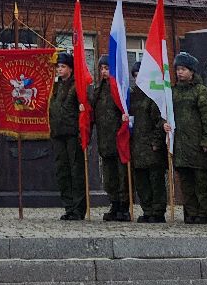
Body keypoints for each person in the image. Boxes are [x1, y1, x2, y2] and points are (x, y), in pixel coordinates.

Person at [167, 52, 207, 223]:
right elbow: (165, 115)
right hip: (179, 144)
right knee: (186, 181)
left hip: (197, 143)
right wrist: (164, 124)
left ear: (192, 71)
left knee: (201, 181)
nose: (180, 72)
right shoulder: (172, 92)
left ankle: (204, 213)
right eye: (178, 69)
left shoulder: (200, 91)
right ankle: (191, 212)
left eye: (184, 69)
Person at [128, 60, 169, 222]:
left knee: (155, 180)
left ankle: (157, 212)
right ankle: (147, 210)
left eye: (140, 75)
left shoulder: (154, 95)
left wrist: (156, 142)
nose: (138, 79)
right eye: (135, 76)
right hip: (137, 147)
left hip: (151, 147)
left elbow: (160, 121)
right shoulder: (132, 96)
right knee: (141, 181)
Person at [49, 51, 87, 220]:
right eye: (58, 67)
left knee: (76, 171)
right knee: (62, 171)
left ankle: (78, 209)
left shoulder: (77, 86)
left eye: (63, 66)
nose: (59, 69)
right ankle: (69, 207)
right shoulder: (56, 87)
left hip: (73, 134)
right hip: (58, 134)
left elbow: (85, 108)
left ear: (70, 69)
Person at [88, 59, 127, 222]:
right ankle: (114, 203)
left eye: (107, 68)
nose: (104, 71)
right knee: (110, 176)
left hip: (119, 139)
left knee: (122, 175)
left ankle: (124, 206)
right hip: (104, 140)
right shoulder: (98, 91)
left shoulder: (119, 89)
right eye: (102, 68)